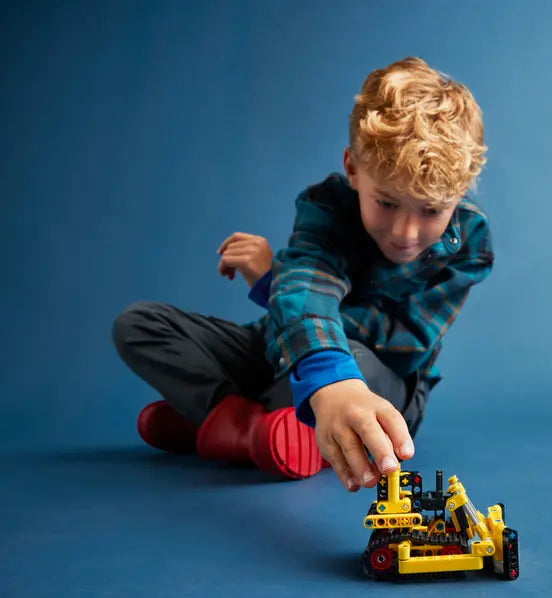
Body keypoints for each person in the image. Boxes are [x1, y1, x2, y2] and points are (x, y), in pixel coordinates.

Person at [112, 56, 494, 493]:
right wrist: (304, 329)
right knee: (139, 325)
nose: (406, 233)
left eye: (430, 211)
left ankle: (215, 419)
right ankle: (244, 428)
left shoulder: (471, 242)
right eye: (386, 203)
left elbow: (404, 342)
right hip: (284, 349)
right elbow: (308, 281)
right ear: (353, 169)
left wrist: (271, 287)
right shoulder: (327, 207)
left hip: (379, 380)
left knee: (352, 359)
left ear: (459, 192)